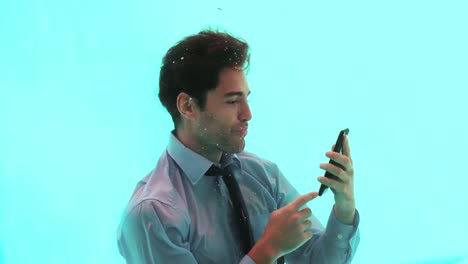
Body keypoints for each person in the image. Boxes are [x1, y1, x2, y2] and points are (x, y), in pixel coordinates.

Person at [117, 29, 360, 264]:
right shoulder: (152, 214)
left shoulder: (263, 175)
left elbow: (319, 261)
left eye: (247, 98)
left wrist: (345, 207)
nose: (248, 114)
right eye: (233, 101)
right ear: (188, 107)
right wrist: (266, 251)